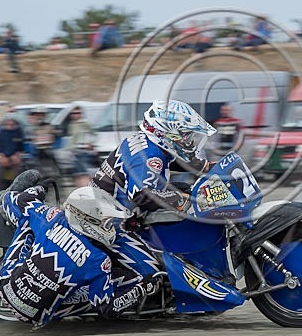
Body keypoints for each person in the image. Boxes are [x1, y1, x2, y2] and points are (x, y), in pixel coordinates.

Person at [0, 170, 161, 327]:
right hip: (36, 316)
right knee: (126, 279)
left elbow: (24, 200)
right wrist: (141, 289)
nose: (109, 227)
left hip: (4, 286)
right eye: (105, 222)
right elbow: (107, 309)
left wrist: (39, 189)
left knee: (26, 221)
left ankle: (6, 199)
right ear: (86, 221)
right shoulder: (99, 260)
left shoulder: (52, 217)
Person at [90, 100, 217, 290]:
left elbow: (176, 160)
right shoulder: (149, 156)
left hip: (116, 212)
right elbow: (142, 196)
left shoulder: (149, 143)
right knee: (156, 274)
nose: (189, 141)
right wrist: (181, 200)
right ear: (166, 133)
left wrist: (210, 167)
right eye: (185, 135)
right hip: (110, 226)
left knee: (180, 196)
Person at [57, 107, 96, 187]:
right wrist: (68, 150)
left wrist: (91, 143)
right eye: (73, 113)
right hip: (74, 152)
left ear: (81, 114)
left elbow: (94, 134)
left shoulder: (85, 124)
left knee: (83, 173)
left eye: (77, 113)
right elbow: (71, 139)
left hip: (83, 151)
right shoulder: (71, 125)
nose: (75, 115)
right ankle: (80, 192)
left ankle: (87, 191)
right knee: (77, 174)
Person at [0, 116, 25, 189]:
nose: (9, 126)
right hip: (4, 158)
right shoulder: (2, 133)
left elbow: (20, 147)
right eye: (7, 124)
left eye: (12, 124)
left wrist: (16, 155)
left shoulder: (18, 133)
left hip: (15, 158)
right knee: (1, 176)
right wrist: (3, 157)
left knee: (16, 176)